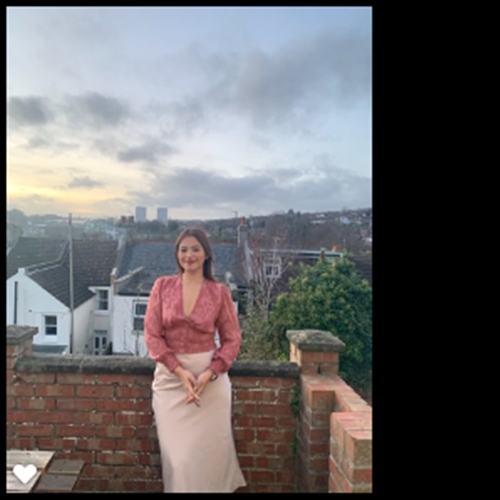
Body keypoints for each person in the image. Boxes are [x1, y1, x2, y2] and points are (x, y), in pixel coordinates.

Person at [144, 227, 247, 493]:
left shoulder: (219, 292)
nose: (189, 255)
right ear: (176, 254)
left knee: (206, 460)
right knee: (179, 460)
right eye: (183, 249)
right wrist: (179, 371)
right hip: (170, 381)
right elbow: (152, 335)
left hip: (209, 385)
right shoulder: (162, 286)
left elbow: (232, 339)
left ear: (206, 254)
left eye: (195, 249)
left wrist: (210, 373)